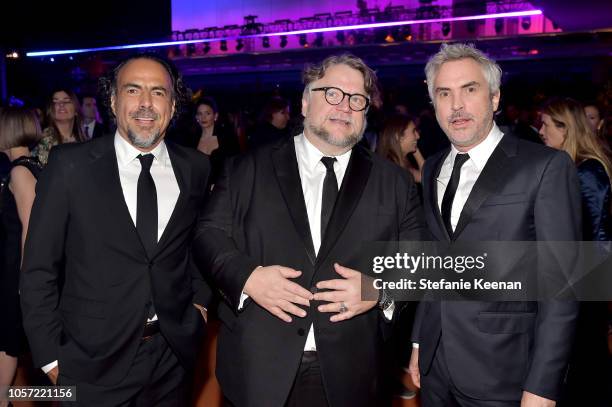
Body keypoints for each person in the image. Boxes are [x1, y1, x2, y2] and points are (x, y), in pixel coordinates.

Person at [193, 53, 426, 407]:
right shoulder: (246, 169)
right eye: (332, 93)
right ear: (304, 101)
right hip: (258, 366)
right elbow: (208, 234)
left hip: (355, 370)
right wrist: (248, 278)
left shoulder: (394, 182)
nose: (344, 106)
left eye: (357, 99)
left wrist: (379, 289)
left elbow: (416, 258)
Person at [20, 54, 212, 406]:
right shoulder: (70, 166)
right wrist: (50, 357)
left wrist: (199, 305)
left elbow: (198, 247)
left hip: (173, 359)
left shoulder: (196, 168)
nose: (145, 103)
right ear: (113, 100)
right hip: (89, 363)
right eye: (133, 89)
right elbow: (38, 268)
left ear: (172, 104)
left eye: (157, 92)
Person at [408, 43, 581, 407]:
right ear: (433, 103)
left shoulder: (545, 167)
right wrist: (419, 342)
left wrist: (543, 386)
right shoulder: (433, 168)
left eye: (469, 90)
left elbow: (563, 284)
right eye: (444, 93)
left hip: (506, 373)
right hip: (436, 369)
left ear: (495, 97)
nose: (456, 105)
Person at [539, 96, 612, 406]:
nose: (540, 130)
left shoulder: (586, 171)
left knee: (585, 358)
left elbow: (593, 233)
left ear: (564, 129)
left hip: (587, 279)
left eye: (545, 124)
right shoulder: (574, 167)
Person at [0, 108, 42, 407]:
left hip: (15, 274)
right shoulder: (27, 165)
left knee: (5, 348)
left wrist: (24, 283)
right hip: (14, 272)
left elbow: (30, 230)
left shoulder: (20, 171)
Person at [190, 97, 240, 183]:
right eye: (200, 114)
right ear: (196, 117)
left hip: (222, 190)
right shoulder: (191, 140)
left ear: (215, 116)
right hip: (198, 190)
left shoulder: (227, 138)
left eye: (207, 113)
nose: (203, 117)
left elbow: (236, 166)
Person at [33, 88, 86, 165]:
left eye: (66, 101)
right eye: (55, 102)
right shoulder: (43, 140)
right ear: (50, 110)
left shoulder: (83, 139)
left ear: (76, 110)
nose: (61, 104)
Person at [377, 113, 424, 183]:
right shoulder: (391, 168)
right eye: (413, 131)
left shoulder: (400, 163)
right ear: (398, 136)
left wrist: (416, 149)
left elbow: (424, 178)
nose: (418, 136)